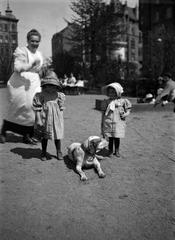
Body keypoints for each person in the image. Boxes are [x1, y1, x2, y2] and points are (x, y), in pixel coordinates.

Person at [0, 29, 44, 144]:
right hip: (20, 83)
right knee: (18, 108)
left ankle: (27, 135)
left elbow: (39, 71)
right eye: (32, 41)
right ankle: (4, 130)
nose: (35, 43)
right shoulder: (22, 51)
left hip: (34, 83)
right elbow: (17, 68)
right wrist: (30, 64)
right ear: (28, 41)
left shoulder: (39, 54)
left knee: (33, 108)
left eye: (37, 41)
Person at [32, 70, 65, 161]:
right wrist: (38, 119)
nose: (51, 88)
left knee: (57, 136)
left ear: (57, 87)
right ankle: (43, 152)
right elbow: (37, 108)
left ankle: (58, 151)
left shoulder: (59, 95)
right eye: (49, 85)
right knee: (44, 136)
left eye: (53, 86)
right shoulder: (41, 95)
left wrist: (60, 120)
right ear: (45, 86)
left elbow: (61, 108)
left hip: (56, 120)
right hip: (45, 118)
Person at [101, 82, 132, 157]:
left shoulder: (123, 101)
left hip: (118, 122)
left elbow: (128, 110)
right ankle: (110, 151)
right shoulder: (106, 101)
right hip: (108, 122)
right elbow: (103, 112)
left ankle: (117, 151)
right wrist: (102, 122)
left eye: (114, 92)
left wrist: (125, 114)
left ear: (118, 92)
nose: (112, 94)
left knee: (117, 137)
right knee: (110, 138)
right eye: (110, 92)